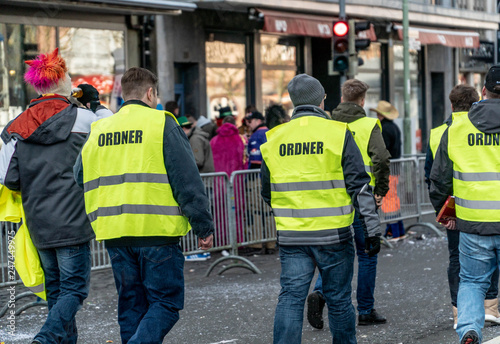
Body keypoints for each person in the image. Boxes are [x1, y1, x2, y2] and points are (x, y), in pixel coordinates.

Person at [75, 67, 214, 343]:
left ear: (124, 95)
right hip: (156, 232)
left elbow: (80, 175)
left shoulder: (101, 128)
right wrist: (203, 225)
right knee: (165, 303)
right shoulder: (162, 122)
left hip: (115, 232)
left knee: (131, 306)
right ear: (150, 93)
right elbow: (186, 180)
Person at [0, 48, 113, 344]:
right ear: (63, 80)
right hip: (73, 220)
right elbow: (113, 134)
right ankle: (47, 337)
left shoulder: (14, 127)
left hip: (39, 222)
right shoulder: (86, 119)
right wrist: (96, 104)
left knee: (56, 290)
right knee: (74, 289)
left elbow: (9, 179)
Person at [261, 74, 381, 344]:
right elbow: (359, 185)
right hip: (333, 235)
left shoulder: (274, 138)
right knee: (338, 299)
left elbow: (267, 191)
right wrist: (372, 229)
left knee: (291, 297)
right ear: (322, 99)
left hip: (292, 235)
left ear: (293, 101)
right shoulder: (338, 133)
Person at [306, 79, 390, 330]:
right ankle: (365, 310)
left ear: (341, 98)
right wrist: (381, 190)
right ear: (363, 100)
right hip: (363, 198)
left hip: (335, 199)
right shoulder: (369, 124)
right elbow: (381, 158)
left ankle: (321, 293)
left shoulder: (328, 124)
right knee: (367, 255)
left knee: (336, 253)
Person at [430, 65, 500, 344]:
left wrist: (445, 212)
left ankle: (470, 328)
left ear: (483, 91)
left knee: (472, 281)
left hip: (472, 224)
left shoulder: (456, 128)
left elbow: (439, 179)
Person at [370, 100, 405, 239]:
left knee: (388, 200)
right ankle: (398, 230)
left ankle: (393, 232)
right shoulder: (394, 127)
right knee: (394, 199)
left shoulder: (383, 129)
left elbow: (382, 152)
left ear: (380, 114)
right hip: (395, 169)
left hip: (388, 169)